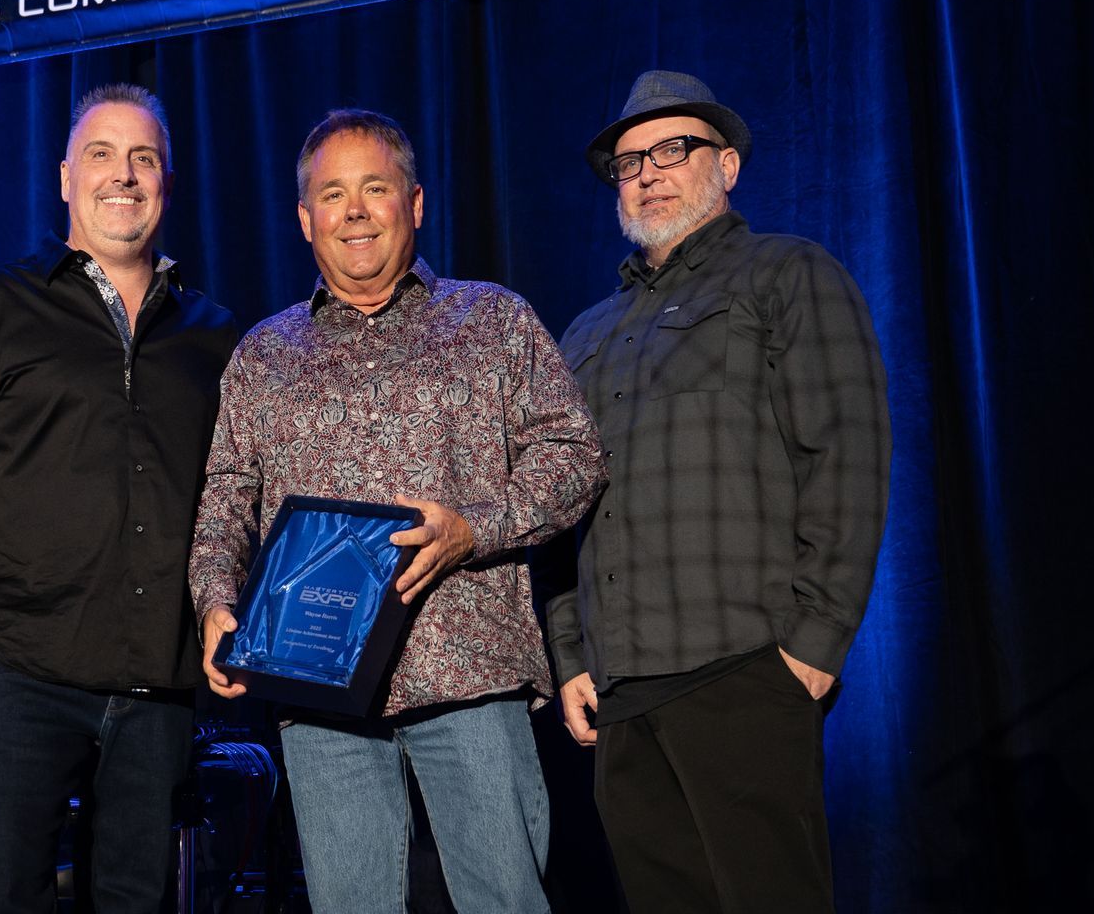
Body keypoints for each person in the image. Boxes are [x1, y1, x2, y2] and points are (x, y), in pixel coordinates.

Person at [190, 108, 605, 914]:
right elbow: (225, 499)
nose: (354, 211)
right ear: (305, 218)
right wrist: (215, 601)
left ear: (414, 203)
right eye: (332, 195)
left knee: (505, 902)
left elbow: (575, 456)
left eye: (374, 189)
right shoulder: (264, 355)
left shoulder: (493, 321)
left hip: (468, 673)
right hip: (319, 687)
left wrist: (474, 528)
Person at [546, 70, 891, 912]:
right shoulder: (586, 332)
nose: (648, 174)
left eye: (673, 150)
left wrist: (812, 650)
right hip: (622, 692)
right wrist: (572, 655)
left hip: (743, 671)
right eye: (629, 163)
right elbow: (556, 506)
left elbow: (847, 454)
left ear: (727, 165)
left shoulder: (785, 273)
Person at [0, 83, 238, 912]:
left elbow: (235, 501)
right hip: (25, 674)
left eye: (143, 159)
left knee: (135, 901)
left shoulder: (216, 335)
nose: (123, 175)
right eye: (101, 155)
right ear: (64, 177)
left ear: (166, 183)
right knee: (5, 896)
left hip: (159, 684)